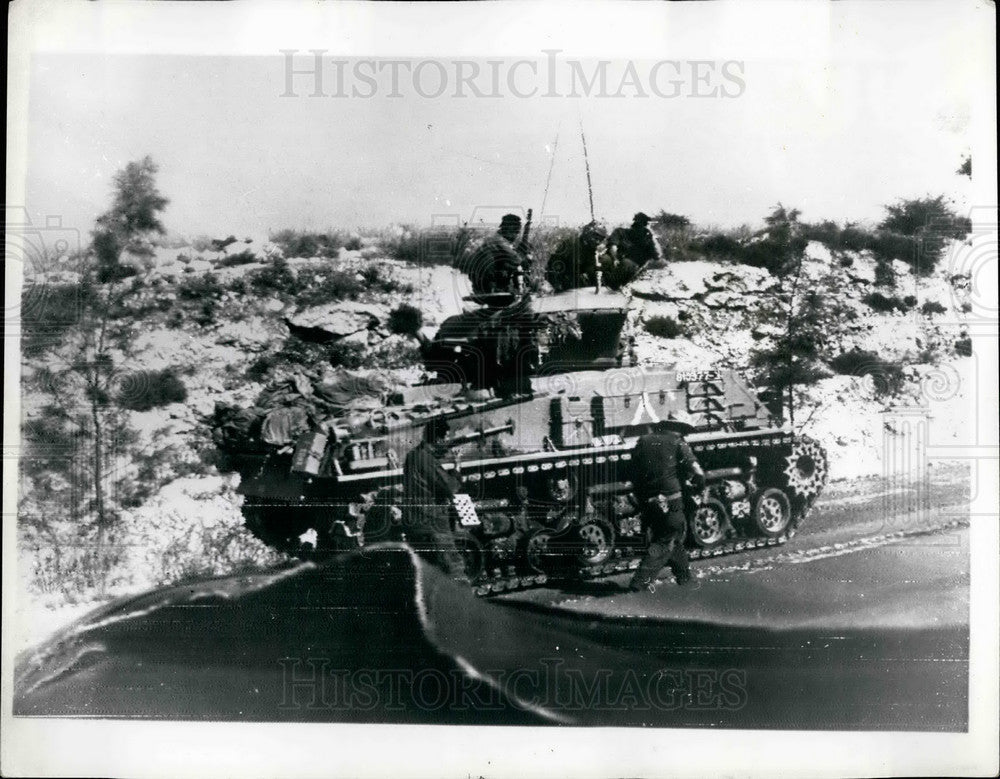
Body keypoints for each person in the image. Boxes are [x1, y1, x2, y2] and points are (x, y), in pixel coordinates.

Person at [627, 417, 706, 592]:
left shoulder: (643, 440)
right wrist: (700, 486)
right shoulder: (678, 443)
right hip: (672, 500)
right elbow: (697, 471)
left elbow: (634, 470)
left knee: (673, 538)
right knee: (664, 541)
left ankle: (685, 578)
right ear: (680, 429)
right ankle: (638, 584)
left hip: (649, 500)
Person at [402, 417, 467, 579]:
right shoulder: (427, 459)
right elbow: (450, 487)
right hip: (432, 521)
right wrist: (457, 468)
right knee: (453, 568)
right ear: (437, 439)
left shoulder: (412, 456)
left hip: (414, 523)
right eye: (445, 438)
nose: (446, 441)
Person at [465, 213, 533, 295]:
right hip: (485, 282)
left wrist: (526, 232)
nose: (516, 236)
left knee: (511, 265)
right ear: (509, 231)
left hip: (481, 281)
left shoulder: (499, 239)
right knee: (517, 266)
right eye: (516, 232)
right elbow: (516, 259)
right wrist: (525, 260)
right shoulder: (499, 241)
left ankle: (504, 289)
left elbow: (513, 257)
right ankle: (501, 289)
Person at [545, 220, 609, 292]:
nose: (598, 242)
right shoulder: (571, 244)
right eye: (596, 238)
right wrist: (557, 285)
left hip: (575, 280)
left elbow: (590, 269)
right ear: (588, 234)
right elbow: (554, 265)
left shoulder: (590, 249)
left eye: (600, 240)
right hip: (561, 280)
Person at [604, 212, 663, 289]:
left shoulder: (647, 238)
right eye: (637, 226)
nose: (638, 229)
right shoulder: (620, 232)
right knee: (605, 259)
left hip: (633, 269)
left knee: (627, 263)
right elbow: (613, 246)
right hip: (616, 263)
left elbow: (657, 255)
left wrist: (652, 237)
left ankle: (612, 283)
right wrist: (615, 259)